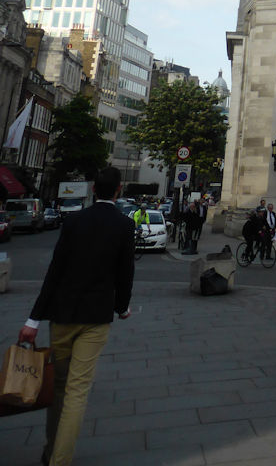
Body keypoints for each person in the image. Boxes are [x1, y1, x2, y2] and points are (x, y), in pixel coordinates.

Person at [18, 165, 134, 466]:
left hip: (63, 315)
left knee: (59, 387)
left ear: (94, 189)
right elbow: (125, 274)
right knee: (77, 391)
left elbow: (54, 272)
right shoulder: (124, 225)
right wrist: (122, 307)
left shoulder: (74, 221)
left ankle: (50, 450)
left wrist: (33, 320)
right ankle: (60, 460)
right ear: (118, 190)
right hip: (96, 317)